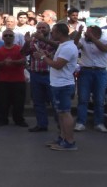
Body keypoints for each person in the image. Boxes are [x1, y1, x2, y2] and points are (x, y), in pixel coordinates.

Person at [37, 23, 79, 151]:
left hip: (63, 85)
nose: (52, 34)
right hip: (57, 84)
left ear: (60, 33)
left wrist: (43, 57)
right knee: (60, 113)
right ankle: (63, 138)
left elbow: (58, 65)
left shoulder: (68, 47)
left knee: (65, 113)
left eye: (53, 32)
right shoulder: (63, 45)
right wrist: (48, 56)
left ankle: (70, 141)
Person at [21, 22, 59, 132]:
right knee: (38, 101)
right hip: (36, 74)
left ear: (49, 29)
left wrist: (43, 39)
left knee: (55, 102)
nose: (41, 29)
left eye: (44, 28)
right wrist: (27, 42)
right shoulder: (33, 40)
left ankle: (61, 125)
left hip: (50, 75)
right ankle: (42, 124)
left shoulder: (54, 39)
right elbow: (23, 53)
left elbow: (58, 47)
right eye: (39, 28)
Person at [73, 25, 107, 133]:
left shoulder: (106, 40)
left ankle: (99, 123)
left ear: (97, 34)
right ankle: (80, 122)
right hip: (86, 71)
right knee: (83, 98)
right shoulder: (83, 40)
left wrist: (93, 39)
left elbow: (105, 49)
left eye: (89, 33)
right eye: (86, 33)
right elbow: (75, 45)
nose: (86, 34)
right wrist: (79, 33)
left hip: (100, 72)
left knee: (99, 99)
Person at [0, 29, 28, 127]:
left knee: (19, 102)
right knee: (3, 102)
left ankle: (19, 120)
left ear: (14, 37)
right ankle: (3, 119)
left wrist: (12, 62)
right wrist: (4, 63)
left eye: (10, 35)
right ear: (3, 37)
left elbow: (23, 61)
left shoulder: (20, 49)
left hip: (18, 80)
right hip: (3, 80)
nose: (8, 37)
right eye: (6, 35)